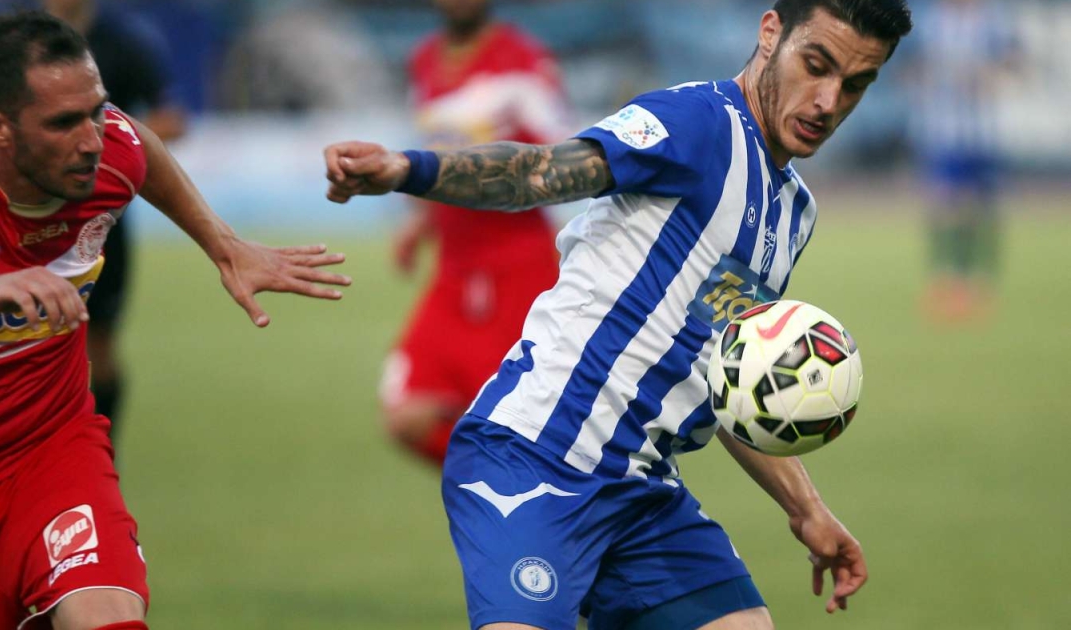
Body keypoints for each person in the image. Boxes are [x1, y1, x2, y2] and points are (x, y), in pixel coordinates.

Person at [324, 1, 911, 628]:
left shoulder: (793, 213)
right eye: (815, 65)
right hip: (535, 459)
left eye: (855, 84)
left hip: (642, 494)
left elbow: (731, 373)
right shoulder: (696, 123)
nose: (828, 102)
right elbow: (539, 172)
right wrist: (408, 168)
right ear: (771, 34)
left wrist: (806, 509)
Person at [0, 11, 348, 630]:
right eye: (63, 122)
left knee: (107, 614)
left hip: (51, 447)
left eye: (94, 112)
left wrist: (222, 244)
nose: (92, 139)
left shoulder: (107, 153)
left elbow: (136, 137)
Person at [380, 0, 568, 465]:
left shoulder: (523, 60)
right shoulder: (424, 60)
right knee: (404, 416)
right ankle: (497, 479)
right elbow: (437, 151)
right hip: (454, 273)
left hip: (519, 272)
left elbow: (566, 160)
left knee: (526, 428)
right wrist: (421, 221)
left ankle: (517, 485)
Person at [44, 0, 188, 437]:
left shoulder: (123, 41)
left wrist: (108, 143)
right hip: (23, 217)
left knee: (99, 343)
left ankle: (103, 449)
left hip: (100, 221)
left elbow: (171, 120)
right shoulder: (19, 41)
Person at [909, 0, 1015, 321]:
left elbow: (1011, 61)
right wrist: (926, 81)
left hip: (980, 135)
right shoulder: (932, 23)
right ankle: (945, 280)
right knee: (943, 207)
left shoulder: (990, 21)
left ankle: (980, 280)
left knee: (981, 210)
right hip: (943, 133)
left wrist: (988, 76)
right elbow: (911, 67)